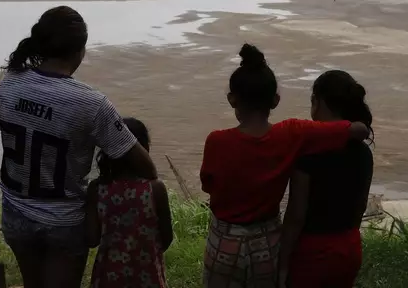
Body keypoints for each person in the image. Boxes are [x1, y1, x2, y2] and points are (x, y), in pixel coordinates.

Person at [0, 6, 157, 288]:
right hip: (63, 221)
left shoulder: (8, 85)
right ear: (80, 50)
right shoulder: (91, 104)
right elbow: (144, 165)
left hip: (16, 213)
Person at [200, 44, 370, 288]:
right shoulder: (292, 133)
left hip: (226, 241)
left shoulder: (216, 141)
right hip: (267, 242)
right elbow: (358, 130)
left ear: (232, 99)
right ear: (275, 100)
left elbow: (209, 185)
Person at [278, 70, 374, 288]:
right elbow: (360, 207)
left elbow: (296, 216)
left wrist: (282, 263)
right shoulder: (363, 152)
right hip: (349, 247)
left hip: (312, 252)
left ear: (317, 101)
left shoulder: (309, 152)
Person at [86, 117, 172, 288]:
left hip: (108, 276)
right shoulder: (155, 189)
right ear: (144, 149)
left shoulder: (97, 189)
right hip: (148, 275)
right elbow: (166, 238)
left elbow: (92, 239)